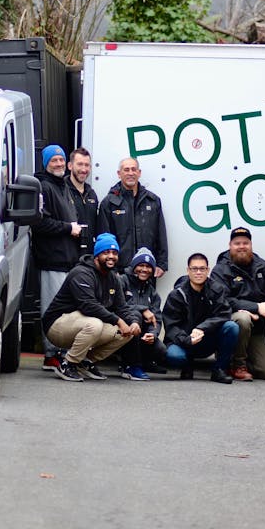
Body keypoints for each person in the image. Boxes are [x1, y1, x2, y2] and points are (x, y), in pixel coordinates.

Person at [42, 233, 141, 382]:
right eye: (106, 252)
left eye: (114, 253)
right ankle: (67, 363)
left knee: (126, 333)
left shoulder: (113, 278)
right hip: (57, 325)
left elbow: (122, 307)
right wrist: (118, 320)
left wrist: (133, 322)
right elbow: (88, 306)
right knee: (95, 324)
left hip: (84, 324)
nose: (111, 256)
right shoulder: (81, 273)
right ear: (96, 255)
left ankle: (85, 361)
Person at [32, 144, 83, 371]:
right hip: (52, 260)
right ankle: (51, 354)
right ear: (45, 163)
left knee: (65, 311)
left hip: (67, 261)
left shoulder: (62, 185)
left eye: (62, 160)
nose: (59, 164)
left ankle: (61, 351)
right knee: (52, 310)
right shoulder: (43, 187)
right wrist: (67, 228)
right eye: (54, 160)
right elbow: (40, 223)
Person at [210, 227, 265, 381]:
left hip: (256, 329)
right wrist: (256, 307)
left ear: (251, 245)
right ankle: (238, 365)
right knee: (242, 319)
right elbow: (224, 300)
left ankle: (229, 356)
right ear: (230, 245)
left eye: (245, 243)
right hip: (232, 323)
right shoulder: (220, 270)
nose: (241, 246)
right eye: (237, 243)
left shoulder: (263, 266)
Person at [162, 253, 239, 384]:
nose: (198, 272)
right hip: (183, 341)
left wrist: (202, 328)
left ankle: (219, 369)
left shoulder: (217, 289)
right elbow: (171, 326)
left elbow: (224, 314)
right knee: (174, 356)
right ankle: (187, 365)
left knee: (232, 327)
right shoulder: (177, 294)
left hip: (206, 339)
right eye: (194, 269)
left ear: (208, 270)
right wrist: (187, 340)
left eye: (202, 269)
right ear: (188, 270)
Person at [98, 157, 168, 277]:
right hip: (120, 271)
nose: (130, 173)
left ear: (139, 173)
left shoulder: (152, 201)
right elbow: (104, 237)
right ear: (119, 174)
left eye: (133, 169)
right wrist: (111, 270)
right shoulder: (109, 203)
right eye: (126, 170)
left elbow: (160, 234)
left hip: (146, 267)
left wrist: (161, 264)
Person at [117, 247, 167, 381]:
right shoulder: (122, 281)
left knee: (161, 350)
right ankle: (131, 366)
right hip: (120, 329)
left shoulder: (152, 292)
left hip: (141, 334)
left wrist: (153, 334)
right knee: (136, 315)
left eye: (148, 266)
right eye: (141, 265)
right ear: (134, 266)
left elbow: (157, 318)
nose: (144, 269)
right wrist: (143, 309)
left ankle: (144, 363)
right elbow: (117, 305)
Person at [65, 147, 100, 256]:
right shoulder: (62, 191)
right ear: (70, 166)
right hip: (67, 255)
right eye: (80, 164)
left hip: (87, 257)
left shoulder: (92, 194)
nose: (84, 169)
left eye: (87, 165)